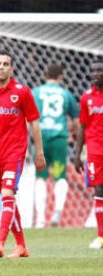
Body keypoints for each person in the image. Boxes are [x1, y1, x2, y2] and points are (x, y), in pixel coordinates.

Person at [0, 50, 46, 258]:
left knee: (7, 194)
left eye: (6, 64)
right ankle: (21, 246)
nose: (2, 67)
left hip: (15, 152)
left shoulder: (22, 92)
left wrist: (39, 152)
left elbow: (34, 123)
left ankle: (0, 242)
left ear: (11, 68)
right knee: (8, 199)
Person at [32, 64, 79, 228]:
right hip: (59, 139)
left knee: (41, 178)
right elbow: (76, 121)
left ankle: (40, 220)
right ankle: (57, 213)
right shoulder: (66, 94)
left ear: (46, 75)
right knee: (59, 176)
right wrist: (74, 135)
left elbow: (27, 118)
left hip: (41, 139)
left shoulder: (36, 92)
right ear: (61, 77)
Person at [75, 59, 103, 249]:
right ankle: (101, 236)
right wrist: (77, 155)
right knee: (99, 191)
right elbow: (82, 127)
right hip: (94, 151)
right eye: (92, 70)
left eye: (99, 70)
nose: (95, 73)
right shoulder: (86, 97)